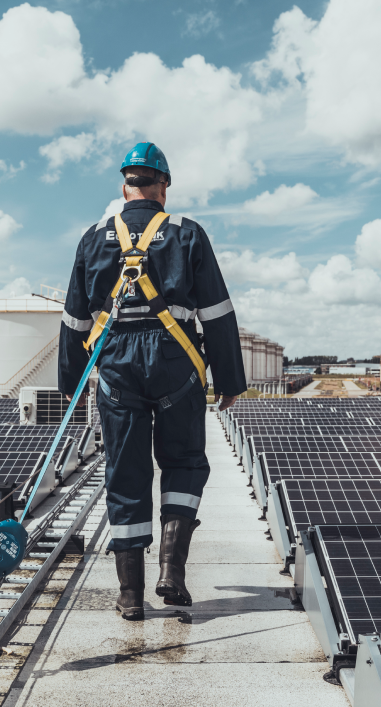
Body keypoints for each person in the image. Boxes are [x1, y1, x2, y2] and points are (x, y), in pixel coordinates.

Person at [58, 142, 246, 619]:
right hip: (175, 364)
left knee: (125, 474)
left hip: (117, 366)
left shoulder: (94, 237)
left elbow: (76, 319)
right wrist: (229, 377)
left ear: (126, 186)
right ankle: (172, 573)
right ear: (164, 185)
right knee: (183, 462)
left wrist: (71, 381)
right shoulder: (187, 234)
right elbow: (218, 312)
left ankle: (129, 595)